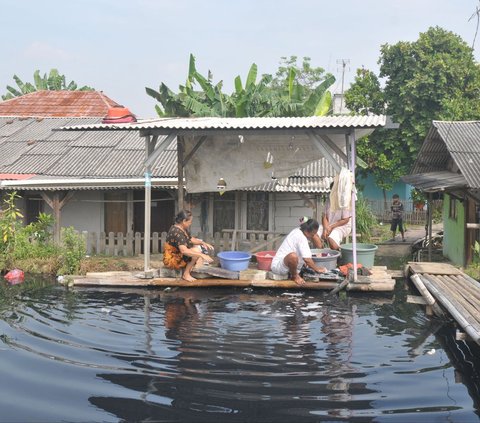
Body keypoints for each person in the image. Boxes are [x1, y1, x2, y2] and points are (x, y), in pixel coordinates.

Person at [271, 218, 327, 286]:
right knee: (293, 256)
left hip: (285, 265)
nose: (313, 236)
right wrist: (317, 269)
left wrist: (305, 263)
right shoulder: (301, 237)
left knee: (297, 258)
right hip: (279, 267)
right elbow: (307, 259)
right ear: (307, 231)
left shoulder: (299, 230)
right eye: (313, 234)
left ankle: (294, 274)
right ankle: (295, 276)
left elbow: (304, 255)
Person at [163, 210, 214, 282]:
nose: (191, 223)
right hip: (172, 259)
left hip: (178, 254)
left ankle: (194, 264)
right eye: (190, 221)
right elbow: (184, 251)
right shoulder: (176, 232)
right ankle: (186, 274)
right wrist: (202, 255)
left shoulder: (182, 229)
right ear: (184, 221)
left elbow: (190, 239)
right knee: (196, 252)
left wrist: (203, 243)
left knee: (198, 248)